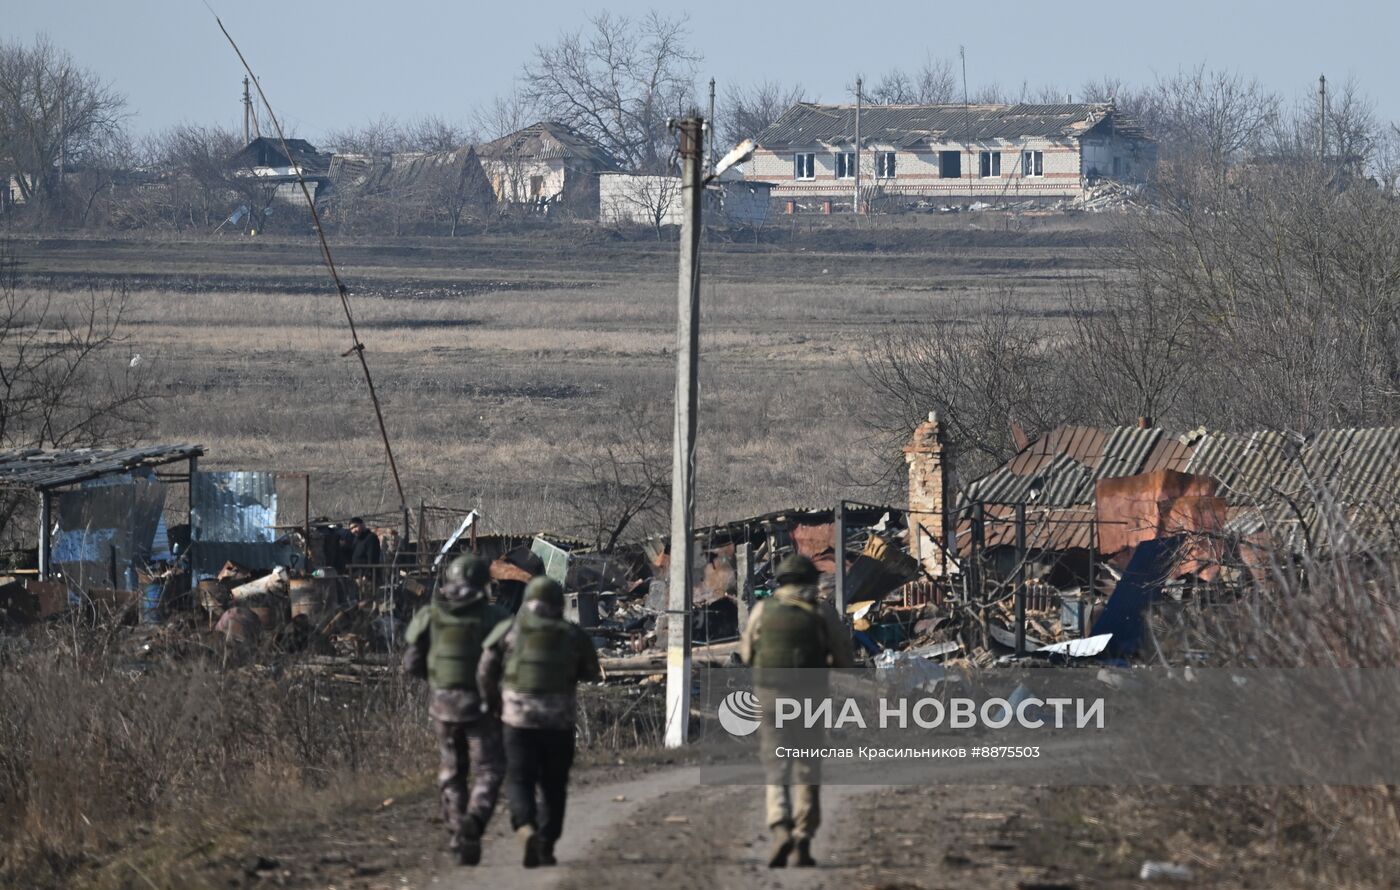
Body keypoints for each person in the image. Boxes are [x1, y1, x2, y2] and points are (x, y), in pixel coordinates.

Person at [739, 553, 854, 868]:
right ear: (812, 583)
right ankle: (803, 837)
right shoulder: (822, 613)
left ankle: (779, 827)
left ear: (781, 583)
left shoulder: (763, 610)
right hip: (809, 698)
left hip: (771, 697)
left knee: (776, 766)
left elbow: (747, 654)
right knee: (807, 766)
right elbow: (845, 659)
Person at [478, 575, 602, 868]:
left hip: (517, 722)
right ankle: (546, 845)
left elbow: (485, 672)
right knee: (554, 784)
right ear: (558, 603)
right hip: (559, 723)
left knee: (520, 779)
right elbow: (591, 672)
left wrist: (494, 702)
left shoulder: (508, 630)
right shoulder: (572, 634)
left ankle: (525, 826)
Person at [402, 555, 511, 866]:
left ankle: (456, 835)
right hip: (480, 706)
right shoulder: (497, 617)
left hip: (443, 705)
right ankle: (474, 822)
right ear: (483, 583)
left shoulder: (429, 615)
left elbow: (410, 663)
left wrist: (437, 681)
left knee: (452, 770)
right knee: (489, 769)